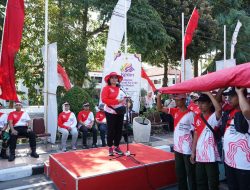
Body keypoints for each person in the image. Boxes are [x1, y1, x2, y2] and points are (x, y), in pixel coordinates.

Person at [157, 92, 196, 190]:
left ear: (183, 100)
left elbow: (195, 132)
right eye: (175, 100)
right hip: (177, 148)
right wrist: (158, 96)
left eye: (178, 100)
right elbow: (160, 108)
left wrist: (194, 150)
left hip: (187, 149)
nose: (176, 102)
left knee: (190, 174)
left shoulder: (191, 114)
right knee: (180, 173)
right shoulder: (175, 111)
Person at [190, 92, 222, 190]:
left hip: (211, 156)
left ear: (210, 104)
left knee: (213, 183)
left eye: (203, 103)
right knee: (200, 182)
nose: (200, 105)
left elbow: (219, 109)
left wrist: (209, 93)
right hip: (199, 156)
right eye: (199, 103)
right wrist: (193, 152)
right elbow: (195, 135)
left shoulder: (214, 117)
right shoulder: (197, 117)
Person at [222, 87, 250, 190]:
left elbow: (246, 110)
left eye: (232, 96)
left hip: (244, 165)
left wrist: (239, 92)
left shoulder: (247, 111)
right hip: (229, 162)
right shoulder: (229, 113)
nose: (228, 99)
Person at [101, 71, 126, 156]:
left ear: (118, 79)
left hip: (120, 111)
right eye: (112, 78)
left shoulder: (121, 89)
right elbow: (104, 100)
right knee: (111, 130)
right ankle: (110, 147)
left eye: (116, 78)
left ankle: (116, 146)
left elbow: (125, 100)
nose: (114, 79)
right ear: (109, 79)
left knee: (119, 130)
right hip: (110, 111)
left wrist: (127, 102)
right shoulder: (106, 88)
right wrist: (116, 101)